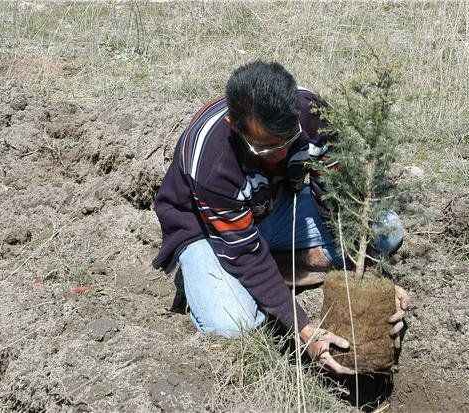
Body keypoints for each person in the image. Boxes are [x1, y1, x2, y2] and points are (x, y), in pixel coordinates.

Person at [152, 61, 411, 375]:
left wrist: (375, 281)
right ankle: (202, 274)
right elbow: (246, 255)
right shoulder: (213, 165)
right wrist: (303, 327)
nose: (280, 154)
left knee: (387, 230)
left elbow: (339, 199)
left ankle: (272, 270)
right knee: (233, 323)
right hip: (206, 228)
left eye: (287, 141)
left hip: (272, 207)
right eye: (266, 147)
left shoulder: (311, 114)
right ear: (234, 124)